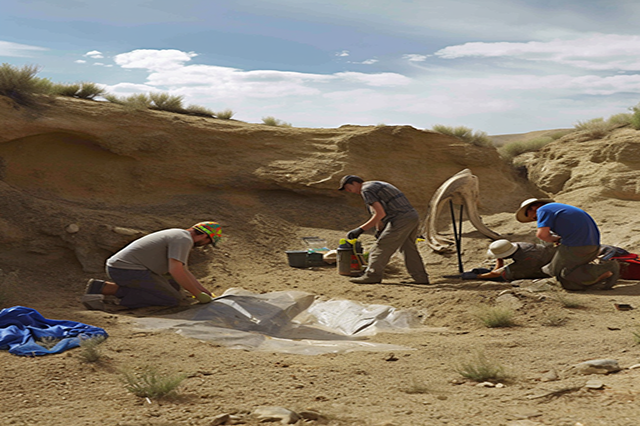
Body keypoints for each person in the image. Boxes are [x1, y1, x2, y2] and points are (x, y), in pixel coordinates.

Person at [83, 221, 222, 309]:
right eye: (208, 242)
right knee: (172, 299)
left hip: (126, 268)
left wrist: (204, 291)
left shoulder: (179, 235)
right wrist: (197, 294)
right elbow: (175, 270)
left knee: (173, 287)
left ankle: (103, 287)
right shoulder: (183, 239)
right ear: (204, 236)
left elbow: (183, 270)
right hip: (127, 270)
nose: (205, 246)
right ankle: (109, 291)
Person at [338, 175, 429, 284]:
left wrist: (360, 229)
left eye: (349, 188)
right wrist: (379, 230)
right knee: (408, 248)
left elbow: (380, 213)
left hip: (400, 219)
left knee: (380, 247)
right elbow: (379, 215)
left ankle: (372, 275)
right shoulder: (376, 184)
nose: (351, 191)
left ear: (354, 183)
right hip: (411, 216)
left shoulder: (366, 190)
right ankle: (420, 278)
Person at [515, 198, 619, 290]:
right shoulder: (559, 209)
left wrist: (555, 239)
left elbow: (542, 235)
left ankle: (603, 269)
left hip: (576, 246)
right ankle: (598, 275)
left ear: (533, 208)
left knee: (555, 272)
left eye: (534, 218)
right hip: (592, 245)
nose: (536, 220)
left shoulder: (543, 210)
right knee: (570, 283)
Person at [461, 239, 557, 281]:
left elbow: (497, 273)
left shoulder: (525, 259)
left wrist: (478, 276)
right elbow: (497, 267)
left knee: (505, 276)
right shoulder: (521, 245)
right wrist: (499, 259)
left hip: (545, 267)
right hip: (547, 257)